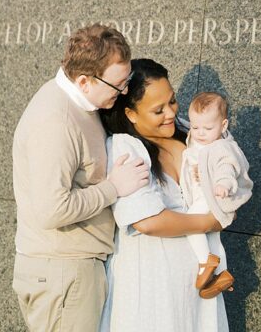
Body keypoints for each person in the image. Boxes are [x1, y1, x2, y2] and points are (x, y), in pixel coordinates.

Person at [12, 24, 150, 332]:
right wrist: (112, 187)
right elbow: (52, 209)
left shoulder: (79, 105)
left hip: (71, 272)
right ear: (85, 81)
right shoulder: (56, 120)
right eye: (117, 85)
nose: (123, 92)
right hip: (64, 273)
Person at [99, 59, 230, 332]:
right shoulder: (125, 147)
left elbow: (231, 177)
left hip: (199, 288)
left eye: (172, 101)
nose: (170, 113)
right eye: (158, 110)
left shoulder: (192, 132)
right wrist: (210, 221)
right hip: (152, 290)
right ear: (132, 114)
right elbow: (146, 221)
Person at [180, 91, 253, 297]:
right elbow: (187, 126)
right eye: (195, 127)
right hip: (202, 195)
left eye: (207, 128)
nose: (200, 132)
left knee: (191, 224)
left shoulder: (222, 147)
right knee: (212, 237)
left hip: (212, 196)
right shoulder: (200, 138)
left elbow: (227, 167)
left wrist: (223, 184)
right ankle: (221, 275)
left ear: (223, 126)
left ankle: (206, 263)